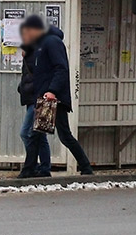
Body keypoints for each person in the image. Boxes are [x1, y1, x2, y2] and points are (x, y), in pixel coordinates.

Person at [20, 15, 93, 175]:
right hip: (46, 96)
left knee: (62, 135)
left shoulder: (52, 42)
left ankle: (86, 167)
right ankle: (29, 170)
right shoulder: (41, 44)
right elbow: (41, 68)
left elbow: (61, 68)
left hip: (53, 97)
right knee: (36, 134)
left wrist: (52, 90)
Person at [16, 24, 49, 178]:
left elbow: (36, 76)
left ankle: (34, 166)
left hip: (37, 97)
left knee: (26, 133)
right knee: (39, 135)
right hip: (31, 97)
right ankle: (43, 167)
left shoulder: (36, 54)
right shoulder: (32, 54)